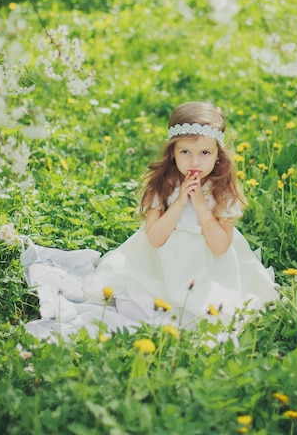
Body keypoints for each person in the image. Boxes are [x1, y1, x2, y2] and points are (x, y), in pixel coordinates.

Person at [23, 101, 278, 339]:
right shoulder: (165, 185)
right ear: (172, 153)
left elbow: (220, 247)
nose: (195, 162)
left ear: (218, 155)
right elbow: (155, 238)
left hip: (209, 268)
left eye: (205, 153)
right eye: (186, 152)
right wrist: (179, 203)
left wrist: (201, 208)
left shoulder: (222, 191)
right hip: (160, 264)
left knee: (209, 312)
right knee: (137, 301)